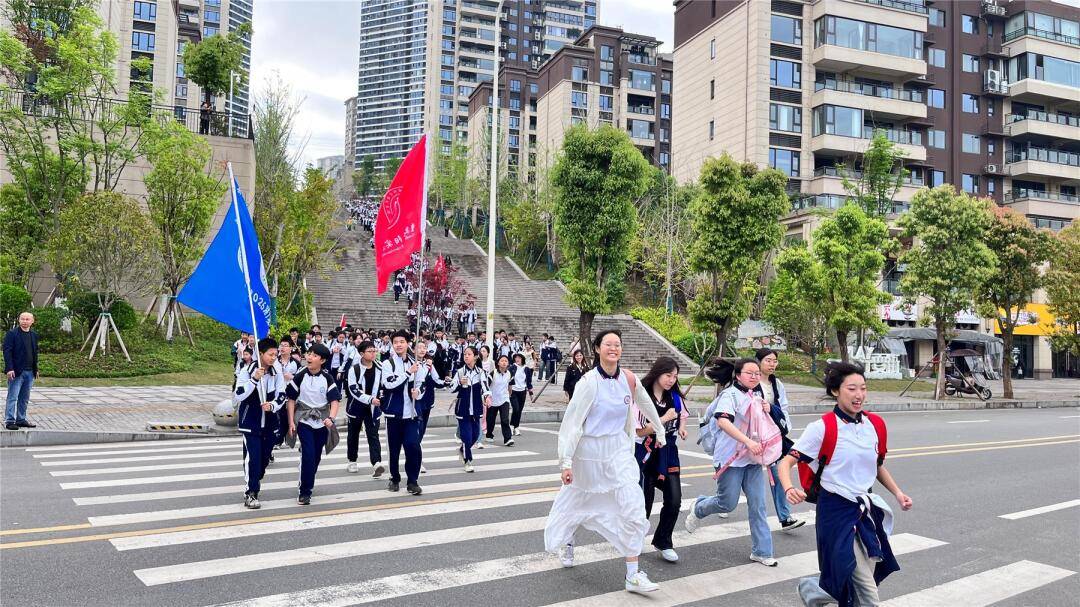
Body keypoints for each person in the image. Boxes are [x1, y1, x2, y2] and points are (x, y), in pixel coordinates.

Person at [777, 362, 913, 607]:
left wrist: (898, 493)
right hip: (835, 511)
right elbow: (786, 462)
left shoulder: (875, 426)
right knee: (866, 589)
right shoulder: (821, 428)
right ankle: (820, 590)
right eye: (852, 388)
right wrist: (789, 488)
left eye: (863, 388)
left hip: (865, 511)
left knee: (857, 578)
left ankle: (814, 590)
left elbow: (877, 466)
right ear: (835, 391)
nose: (859, 395)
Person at [544, 330, 667, 594]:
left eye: (618, 344)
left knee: (632, 506)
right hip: (588, 453)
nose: (614, 348)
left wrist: (659, 429)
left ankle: (633, 575)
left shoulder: (629, 379)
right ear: (597, 349)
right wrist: (566, 462)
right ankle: (568, 540)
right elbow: (573, 424)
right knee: (579, 501)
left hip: (618, 451)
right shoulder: (588, 383)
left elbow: (645, 403)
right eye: (608, 344)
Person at [684, 358, 779, 567]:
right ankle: (699, 508)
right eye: (749, 373)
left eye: (756, 373)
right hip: (730, 458)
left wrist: (766, 409)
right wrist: (747, 441)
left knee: (758, 505)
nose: (754, 377)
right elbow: (723, 421)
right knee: (727, 502)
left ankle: (762, 551)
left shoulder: (755, 394)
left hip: (752, 459)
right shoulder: (729, 395)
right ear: (737, 375)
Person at [635, 357, 689, 562]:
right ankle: (636, 536)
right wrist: (663, 419)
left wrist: (682, 427)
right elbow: (639, 431)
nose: (671, 380)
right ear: (658, 373)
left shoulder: (674, 397)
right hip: (646, 453)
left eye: (675, 377)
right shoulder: (642, 396)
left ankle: (663, 541)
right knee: (644, 501)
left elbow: (681, 414)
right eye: (668, 375)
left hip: (668, 453)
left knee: (674, 500)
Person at [755, 347, 805, 531]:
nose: (772, 364)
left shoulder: (777, 384)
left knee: (777, 473)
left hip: (773, 435)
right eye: (768, 360)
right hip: (752, 437)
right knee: (740, 478)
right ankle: (724, 500)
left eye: (774, 361)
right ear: (758, 361)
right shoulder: (751, 381)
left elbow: (783, 408)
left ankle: (785, 517)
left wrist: (784, 428)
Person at [284, 343, 341, 505]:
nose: (309, 357)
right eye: (309, 353)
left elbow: (335, 401)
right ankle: (305, 491)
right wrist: (291, 422)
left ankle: (306, 475)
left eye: (314, 355)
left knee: (315, 457)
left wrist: (331, 418)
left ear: (322, 360)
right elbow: (291, 400)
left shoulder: (327, 378)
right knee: (308, 454)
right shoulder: (300, 375)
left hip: (322, 422)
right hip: (303, 419)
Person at [234, 338, 285, 509]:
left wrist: (273, 405)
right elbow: (239, 395)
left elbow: (282, 395)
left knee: (263, 460)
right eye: (270, 354)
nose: (273, 358)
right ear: (261, 354)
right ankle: (251, 492)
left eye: (275, 354)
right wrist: (254, 380)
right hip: (251, 421)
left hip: (270, 422)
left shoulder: (276, 372)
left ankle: (255, 476)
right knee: (253, 458)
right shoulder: (247, 371)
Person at [380, 329, 424, 495]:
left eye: (402, 342)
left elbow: (421, 384)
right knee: (394, 449)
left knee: (413, 445)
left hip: (411, 414)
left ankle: (413, 481)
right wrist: (407, 373)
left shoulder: (416, 363)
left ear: (408, 344)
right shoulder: (387, 364)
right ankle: (394, 477)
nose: (398, 345)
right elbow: (389, 384)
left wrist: (418, 393)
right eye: (396, 342)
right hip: (394, 413)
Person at [345, 341, 386, 478]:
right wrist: (369, 399)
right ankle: (352, 460)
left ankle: (376, 463)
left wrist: (380, 398)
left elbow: (384, 386)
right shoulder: (354, 369)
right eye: (370, 351)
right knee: (353, 434)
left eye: (375, 350)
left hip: (373, 408)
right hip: (356, 407)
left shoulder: (380, 368)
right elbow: (353, 390)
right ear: (362, 353)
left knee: (373, 435)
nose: (374, 353)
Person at [449, 346, 490, 473]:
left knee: (475, 435)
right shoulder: (460, 372)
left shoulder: (480, 372)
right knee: (466, 436)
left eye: (469, 354)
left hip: (476, 408)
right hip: (463, 408)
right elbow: (451, 388)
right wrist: (460, 383)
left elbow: (485, 386)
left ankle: (463, 450)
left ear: (476, 356)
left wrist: (487, 397)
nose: (466, 356)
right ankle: (468, 460)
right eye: (465, 354)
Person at [3, 312, 39, 430]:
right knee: (12, 397)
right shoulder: (12, 334)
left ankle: (21, 419)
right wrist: (9, 368)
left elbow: (35, 353)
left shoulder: (33, 335)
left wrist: (36, 369)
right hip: (16, 371)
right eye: (22, 319)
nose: (24, 321)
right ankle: (9, 420)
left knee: (24, 398)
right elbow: (7, 352)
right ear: (19, 320)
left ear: (32, 321)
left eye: (27, 319)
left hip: (30, 372)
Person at [486, 354, 515, 446]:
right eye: (502, 361)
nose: (504, 362)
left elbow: (510, 385)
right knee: (490, 420)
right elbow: (486, 386)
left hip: (504, 399)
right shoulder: (492, 373)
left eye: (506, 361)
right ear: (498, 363)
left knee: (505, 419)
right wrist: (486, 397)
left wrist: (510, 395)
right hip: (492, 400)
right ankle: (489, 434)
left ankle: (508, 438)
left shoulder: (509, 374)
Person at [508, 352, 533, 436]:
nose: (517, 359)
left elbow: (529, 381)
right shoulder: (512, 368)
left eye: (519, 357)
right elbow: (508, 379)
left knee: (520, 410)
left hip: (522, 391)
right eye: (516, 357)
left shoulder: (526, 369)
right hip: (513, 391)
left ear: (522, 359)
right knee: (516, 408)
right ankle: (511, 426)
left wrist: (531, 393)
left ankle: (516, 427)